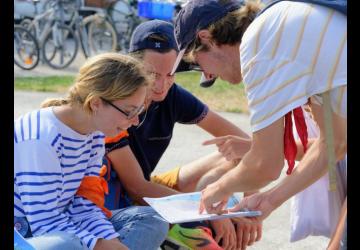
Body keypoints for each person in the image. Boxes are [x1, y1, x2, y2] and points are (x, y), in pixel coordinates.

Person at [171, 0, 346, 239]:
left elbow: (265, 165)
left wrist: (216, 188)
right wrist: (270, 199)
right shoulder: (283, 28)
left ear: (206, 38)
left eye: (197, 63)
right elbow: (335, 144)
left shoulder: (259, 45)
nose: (208, 75)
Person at [103, 19, 262, 250]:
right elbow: (136, 188)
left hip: (149, 188)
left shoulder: (172, 95)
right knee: (208, 236)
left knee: (231, 157)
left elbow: (246, 145)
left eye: (170, 74)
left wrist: (247, 203)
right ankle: (185, 230)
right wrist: (208, 211)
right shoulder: (117, 103)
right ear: (132, 66)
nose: (161, 85)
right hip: (122, 198)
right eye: (151, 74)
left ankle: (199, 221)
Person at [14, 53, 169, 250]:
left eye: (139, 112)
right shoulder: (41, 139)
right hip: (25, 232)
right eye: (130, 111)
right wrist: (98, 245)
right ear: (96, 103)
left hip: (62, 220)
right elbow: (44, 223)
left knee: (152, 219)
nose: (135, 121)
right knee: (64, 244)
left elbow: (84, 204)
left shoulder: (94, 133)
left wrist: (109, 239)